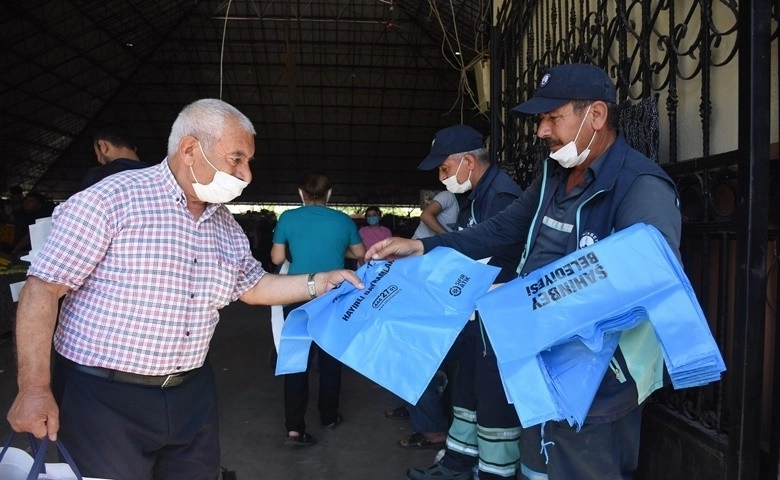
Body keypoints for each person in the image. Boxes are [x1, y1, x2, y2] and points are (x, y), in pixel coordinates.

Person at [7, 98, 364, 480]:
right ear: (191, 149)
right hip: (102, 397)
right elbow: (42, 289)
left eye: (248, 162)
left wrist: (320, 281)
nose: (246, 175)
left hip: (190, 393)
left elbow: (254, 286)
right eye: (236, 159)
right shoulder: (110, 200)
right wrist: (34, 388)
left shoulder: (223, 224)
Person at [366, 63, 682, 480]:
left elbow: (649, 280)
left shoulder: (640, 185)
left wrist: (534, 299)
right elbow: (502, 229)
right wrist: (422, 244)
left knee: (581, 465)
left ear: (597, 115)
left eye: (553, 118)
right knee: (537, 463)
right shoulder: (556, 174)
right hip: (537, 354)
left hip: (597, 376)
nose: (542, 131)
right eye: (541, 120)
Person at [390, 124, 526, 479]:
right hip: (473, 312)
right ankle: (457, 464)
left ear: (467, 161)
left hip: (497, 315)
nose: (441, 176)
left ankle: (495, 471)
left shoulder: (502, 197)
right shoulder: (476, 196)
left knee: (493, 398)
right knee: (466, 390)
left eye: (444, 168)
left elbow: (499, 255)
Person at [270, 172, 366, 447]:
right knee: (330, 360)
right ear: (329, 194)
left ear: (301, 193)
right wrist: (336, 251)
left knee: (295, 360)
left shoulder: (288, 218)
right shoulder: (342, 220)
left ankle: (294, 429)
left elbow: (277, 257)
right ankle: (328, 417)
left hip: (297, 295)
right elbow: (359, 254)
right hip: (333, 297)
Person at [385, 190, 460, 449]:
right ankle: (418, 406)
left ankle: (431, 427)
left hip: (431, 278)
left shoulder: (463, 201)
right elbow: (427, 215)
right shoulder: (449, 195)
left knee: (416, 355)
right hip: (424, 271)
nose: (443, 173)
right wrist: (449, 240)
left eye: (445, 167)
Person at [78, 121, 151, 191]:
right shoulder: (156, 173)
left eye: (98, 154)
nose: (100, 162)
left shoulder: (96, 176)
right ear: (134, 149)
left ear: (104, 146)